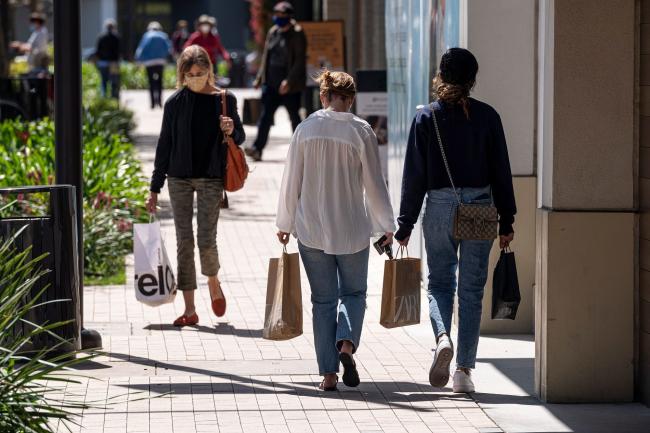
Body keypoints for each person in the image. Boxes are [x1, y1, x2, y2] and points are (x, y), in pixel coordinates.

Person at [395, 48, 516, 394]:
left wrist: (404, 224)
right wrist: (506, 219)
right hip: (480, 207)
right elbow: (501, 173)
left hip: (440, 207)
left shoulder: (426, 118)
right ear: (472, 79)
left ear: (441, 77)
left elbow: (414, 176)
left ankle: (442, 337)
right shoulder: (488, 117)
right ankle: (463, 371)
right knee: (472, 290)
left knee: (439, 283)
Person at [276, 70, 395, 391]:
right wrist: (387, 224)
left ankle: (328, 375)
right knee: (354, 294)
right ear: (351, 98)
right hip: (353, 228)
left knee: (323, 301)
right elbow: (374, 183)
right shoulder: (361, 131)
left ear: (323, 95)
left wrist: (284, 223)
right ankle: (346, 345)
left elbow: (292, 181)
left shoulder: (305, 129)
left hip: (311, 228)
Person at [146, 45, 245, 327]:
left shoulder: (224, 99)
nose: (195, 78)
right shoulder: (175, 103)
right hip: (178, 177)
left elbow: (241, 137)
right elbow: (164, 145)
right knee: (184, 242)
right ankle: (190, 309)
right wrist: (154, 188)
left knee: (205, 239)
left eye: (200, 73)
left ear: (209, 71)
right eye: (190, 74)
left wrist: (230, 130)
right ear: (182, 74)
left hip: (212, 177)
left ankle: (213, 280)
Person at [247, 1, 307, 162]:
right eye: (277, 15)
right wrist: (260, 78)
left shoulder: (297, 33)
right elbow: (266, 56)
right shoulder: (273, 31)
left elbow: (299, 61)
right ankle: (257, 149)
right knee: (265, 117)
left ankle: (301, 152)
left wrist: (289, 81)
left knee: (294, 118)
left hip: (290, 86)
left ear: (289, 16)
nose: (278, 18)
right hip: (271, 84)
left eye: (282, 15)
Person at [135, 21, 172, 109]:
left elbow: (141, 49)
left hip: (149, 62)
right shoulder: (163, 35)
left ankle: (152, 104)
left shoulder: (147, 35)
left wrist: (138, 60)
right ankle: (160, 102)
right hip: (160, 61)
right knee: (160, 82)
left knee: (151, 83)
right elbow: (169, 48)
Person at [94, 19, 121, 99]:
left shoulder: (101, 37)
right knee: (114, 82)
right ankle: (114, 98)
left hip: (103, 62)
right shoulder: (117, 37)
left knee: (103, 81)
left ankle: (104, 98)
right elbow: (119, 50)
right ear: (114, 27)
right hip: (114, 63)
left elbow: (97, 51)